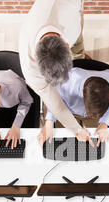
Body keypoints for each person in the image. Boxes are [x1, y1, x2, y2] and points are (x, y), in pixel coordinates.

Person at [19, 0, 94, 146]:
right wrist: (77, 130)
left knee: (79, 51)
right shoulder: (30, 68)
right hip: (68, 21)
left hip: (74, 16)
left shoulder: (72, 13)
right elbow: (55, 103)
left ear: (67, 45)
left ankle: (79, 58)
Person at [38, 67, 109, 147]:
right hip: (66, 112)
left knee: (93, 145)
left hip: (97, 117)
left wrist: (104, 124)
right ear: (82, 92)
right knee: (65, 143)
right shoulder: (66, 81)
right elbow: (53, 98)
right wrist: (49, 122)